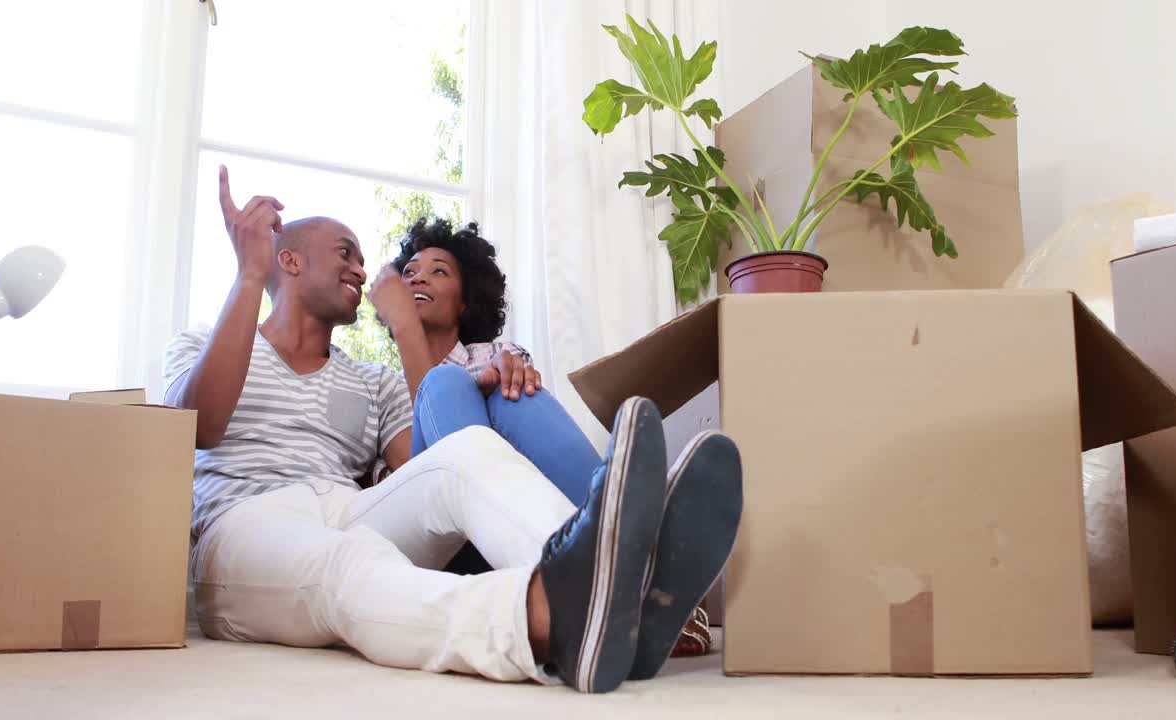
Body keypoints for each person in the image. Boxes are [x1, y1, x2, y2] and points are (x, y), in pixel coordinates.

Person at [162, 165, 743, 693]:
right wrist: (247, 277)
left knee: (463, 454)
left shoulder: (374, 382)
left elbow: (428, 466)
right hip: (248, 520)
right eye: (345, 254)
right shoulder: (201, 343)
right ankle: (546, 615)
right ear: (288, 262)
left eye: (363, 259)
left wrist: (479, 390)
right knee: (350, 567)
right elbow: (203, 426)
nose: (362, 271)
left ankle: (614, 580)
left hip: (343, 508)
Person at [376, 217, 713, 656]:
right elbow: (408, 479)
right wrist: (408, 334)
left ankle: (632, 552)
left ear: (464, 302)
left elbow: (505, 385)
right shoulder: (378, 383)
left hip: (520, 538)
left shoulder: (500, 356)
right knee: (445, 385)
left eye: (439, 270)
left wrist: (489, 377)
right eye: (409, 272)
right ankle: (639, 558)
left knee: (511, 389)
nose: (418, 276)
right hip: (447, 544)